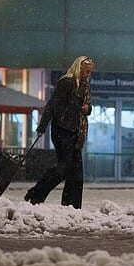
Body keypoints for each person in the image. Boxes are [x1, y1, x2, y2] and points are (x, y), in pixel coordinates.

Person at [24, 56, 94, 209]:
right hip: (62, 130)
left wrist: (87, 109)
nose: (88, 75)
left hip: (75, 132)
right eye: (86, 71)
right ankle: (36, 194)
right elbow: (52, 104)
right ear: (78, 69)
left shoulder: (84, 86)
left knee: (76, 174)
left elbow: (87, 106)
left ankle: (72, 207)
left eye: (90, 72)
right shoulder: (67, 82)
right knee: (63, 168)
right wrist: (42, 126)